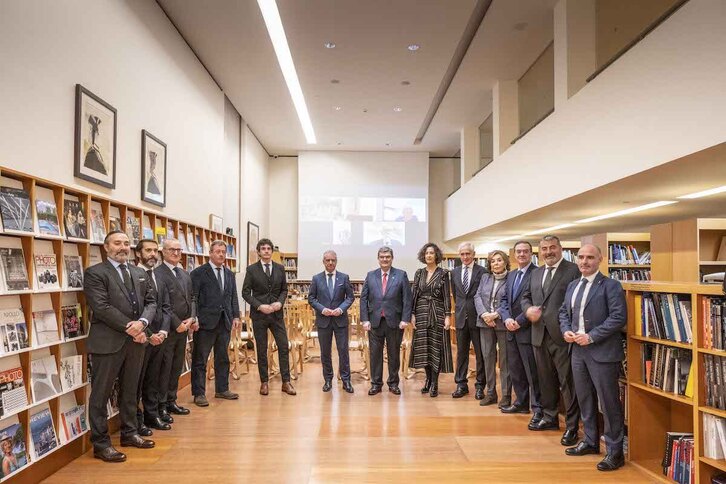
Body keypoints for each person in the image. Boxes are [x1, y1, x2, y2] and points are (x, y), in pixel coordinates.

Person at [84, 231, 156, 462]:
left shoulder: (138, 272)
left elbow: (151, 302)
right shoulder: (95, 273)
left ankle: (130, 432)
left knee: (130, 390)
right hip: (108, 343)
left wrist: (143, 323)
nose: (122, 247)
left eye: (126, 243)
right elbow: (101, 307)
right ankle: (101, 444)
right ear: (106, 247)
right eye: (117, 243)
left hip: (136, 342)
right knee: (100, 394)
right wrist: (131, 327)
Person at [560, 244, 626, 471]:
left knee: (608, 403)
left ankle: (615, 452)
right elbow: (563, 313)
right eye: (581, 257)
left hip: (602, 352)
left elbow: (618, 318)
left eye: (590, 257)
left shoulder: (611, 286)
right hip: (577, 351)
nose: (584, 261)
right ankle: (590, 441)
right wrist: (566, 330)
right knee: (585, 398)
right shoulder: (572, 285)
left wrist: (591, 336)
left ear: (600, 260)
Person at [522, 235, 581, 444]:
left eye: (552, 248)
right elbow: (526, 297)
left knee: (568, 383)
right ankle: (550, 417)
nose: (548, 252)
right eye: (545, 249)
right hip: (539, 334)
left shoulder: (573, 270)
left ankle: (572, 427)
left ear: (561, 249)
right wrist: (527, 309)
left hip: (562, 336)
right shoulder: (536, 273)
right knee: (545, 380)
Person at [242, 238, 296, 396]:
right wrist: (259, 306)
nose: (266, 251)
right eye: (263, 248)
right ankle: (264, 382)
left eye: (268, 248)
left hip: (277, 314)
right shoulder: (251, 270)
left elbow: (284, 290)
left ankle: (286, 382)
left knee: (283, 346)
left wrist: (280, 302)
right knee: (261, 348)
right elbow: (245, 292)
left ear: (272, 251)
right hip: (259, 315)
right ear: (258, 252)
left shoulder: (280, 268)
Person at [190, 240, 241, 406]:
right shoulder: (198, 273)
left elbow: (233, 297)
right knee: (200, 359)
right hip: (205, 323)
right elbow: (193, 298)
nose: (221, 254)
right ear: (210, 253)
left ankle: (222, 389)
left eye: (223, 252)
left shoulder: (229, 274)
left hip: (224, 322)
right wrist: (194, 317)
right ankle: (199, 393)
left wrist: (235, 316)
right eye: (217, 251)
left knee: (222, 358)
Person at [497, 241, 541, 427]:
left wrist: (519, 321)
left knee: (532, 371)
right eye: (519, 252)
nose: (522, 254)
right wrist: (507, 319)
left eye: (525, 251)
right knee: (516, 369)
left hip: (527, 330)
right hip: (510, 329)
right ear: (514, 255)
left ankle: (538, 408)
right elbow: (505, 299)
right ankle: (521, 403)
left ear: (531, 253)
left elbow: (537, 302)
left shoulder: (537, 273)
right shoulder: (512, 274)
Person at [360, 246, 412, 395]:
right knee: (375, 354)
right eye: (382, 257)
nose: (385, 259)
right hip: (374, 322)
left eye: (387, 257)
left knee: (394, 353)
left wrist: (405, 319)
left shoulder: (401, 275)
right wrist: (365, 319)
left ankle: (393, 383)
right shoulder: (370, 275)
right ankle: (376, 384)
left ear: (392, 258)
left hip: (395, 322)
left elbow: (407, 299)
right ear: (378, 259)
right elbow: (363, 299)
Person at [133, 239, 172, 435]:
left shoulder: (159, 277)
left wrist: (163, 332)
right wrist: (149, 335)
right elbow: (135, 311)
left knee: (154, 379)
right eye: (148, 250)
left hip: (160, 337)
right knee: (137, 382)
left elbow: (166, 307)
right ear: (138, 253)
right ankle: (137, 421)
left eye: (155, 251)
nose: (153, 254)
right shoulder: (133, 275)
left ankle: (152, 414)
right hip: (141, 338)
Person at [154, 238, 195, 418]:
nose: (176, 253)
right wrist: (177, 323)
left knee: (177, 366)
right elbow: (162, 304)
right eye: (172, 250)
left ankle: (172, 400)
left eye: (179, 250)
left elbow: (192, 298)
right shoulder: (158, 274)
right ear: (163, 251)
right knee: (165, 368)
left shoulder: (185, 274)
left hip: (184, 329)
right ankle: (161, 404)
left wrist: (191, 318)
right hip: (168, 329)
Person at [409, 243, 453, 397]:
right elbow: (414, 295)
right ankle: (427, 380)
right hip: (421, 313)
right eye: (427, 253)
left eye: (432, 253)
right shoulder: (419, 273)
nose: (429, 255)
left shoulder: (443, 273)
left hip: (437, 313)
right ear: (423, 255)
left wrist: (448, 316)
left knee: (435, 348)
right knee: (424, 349)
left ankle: (434, 382)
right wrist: (412, 314)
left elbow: (447, 296)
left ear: (436, 256)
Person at [308, 250, 355, 393]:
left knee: (343, 351)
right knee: (325, 352)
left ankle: (346, 380)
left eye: (333, 260)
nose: (330, 263)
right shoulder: (316, 279)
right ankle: (328, 380)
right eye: (327, 260)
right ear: (323, 261)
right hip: (323, 321)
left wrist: (341, 309)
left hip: (340, 321)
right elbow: (311, 298)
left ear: (336, 261)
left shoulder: (344, 277)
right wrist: (322, 309)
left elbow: (350, 297)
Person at [473, 250, 512, 407]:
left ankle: (506, 395)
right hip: (485, 323)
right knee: (488, 358)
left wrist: (495, 314)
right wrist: (484, 314)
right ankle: (491, 393)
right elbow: (477, 296)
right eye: (493, 261)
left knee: (505, 361)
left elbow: (510, 299)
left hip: (502, 323)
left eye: (499, 260)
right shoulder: (485, 277)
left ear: (505, 262)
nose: (496, 263)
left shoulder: (512, 278)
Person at [451, 242, 487, 399]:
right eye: (462, 254)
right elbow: (457, 294)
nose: (465, 257)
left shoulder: (483, 272)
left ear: (473, 254)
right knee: (461, 353)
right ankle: (461, 384)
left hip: (478, 318)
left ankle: (480, 386)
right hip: (460, 318)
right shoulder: (454, 272)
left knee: (480, 354)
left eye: (468, 254)